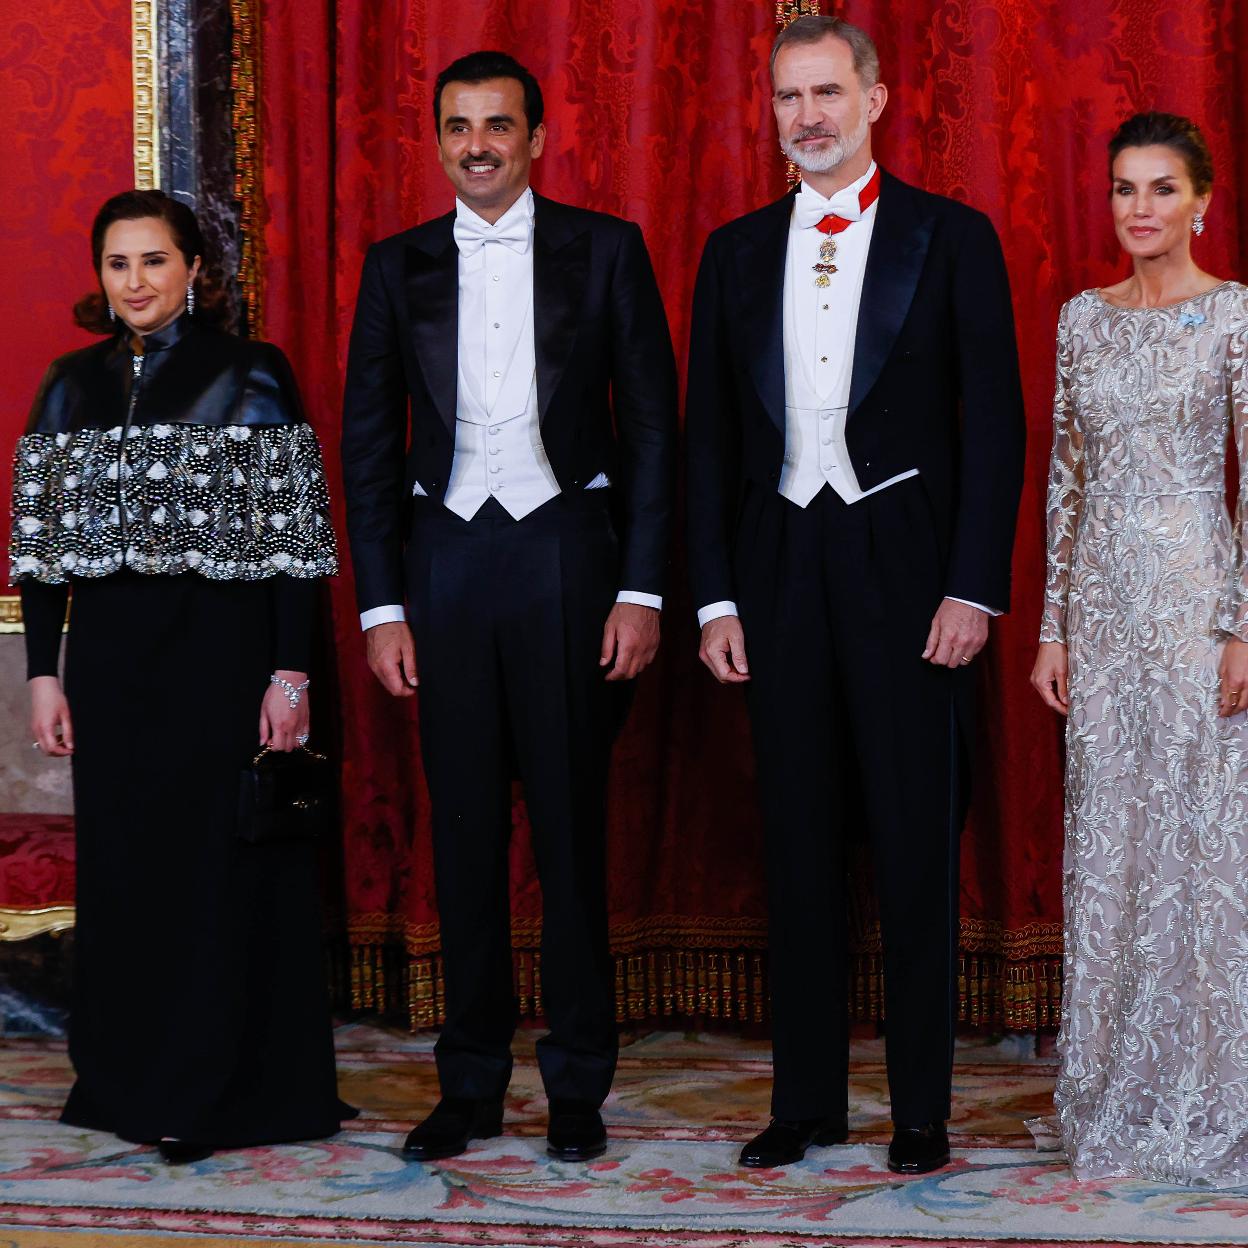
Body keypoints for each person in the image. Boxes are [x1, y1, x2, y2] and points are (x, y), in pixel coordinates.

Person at [686, 15, 1025, 1174]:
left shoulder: (952, 237)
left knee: (916, 841)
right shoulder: (733, 252)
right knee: (797, 843)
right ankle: (808, 1102)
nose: (809, 116)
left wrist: (974, 588)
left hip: (910, 571)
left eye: (828, 92)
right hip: (777, 564)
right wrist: (714, 600)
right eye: (789, 97)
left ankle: (919, 1109)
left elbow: (997, 428)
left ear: (875, 99)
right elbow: (707, 438)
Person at [340, 51, 676, 1163]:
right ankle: (471, 1084)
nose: (477, 145)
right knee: (466, 841)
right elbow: (367, 448)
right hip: (443, 569)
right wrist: (382, 608)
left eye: (497, 125)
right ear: (438, 140)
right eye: (458, 126)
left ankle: (577, 1086)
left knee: (573, 839)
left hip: (569, 560)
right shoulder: (395, 266)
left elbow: (655, 430)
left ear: (536, 137)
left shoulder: (608, 249)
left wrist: (640, 587)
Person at [9, 190, 345, 1164]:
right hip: (113, 667)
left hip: (223, 656)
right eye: (118, 264)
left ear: (195, 267)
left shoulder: (252, 372)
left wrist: (290, 676)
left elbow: (294, 542)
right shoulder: (69, 384)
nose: (136, 282)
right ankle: (132, 1082)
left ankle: (219, 1092)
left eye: (154, 260)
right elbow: (42, 549)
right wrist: (42, 675)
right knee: (129, 872)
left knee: (219, 875)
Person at [1030, 112, 1248, 1186]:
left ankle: (1210, 1091)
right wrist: (1053, 628)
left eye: (1162, 188)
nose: (1141, 208)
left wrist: (1244, 623)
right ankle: (1118, 1086)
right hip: (1105, 614)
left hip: (1198, 598)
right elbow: (1065, 482)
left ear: (1201, 200)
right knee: (1114, 844)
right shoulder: (1082, 319)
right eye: (1124, 188)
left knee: (1201, 845)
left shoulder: (1235, 315)